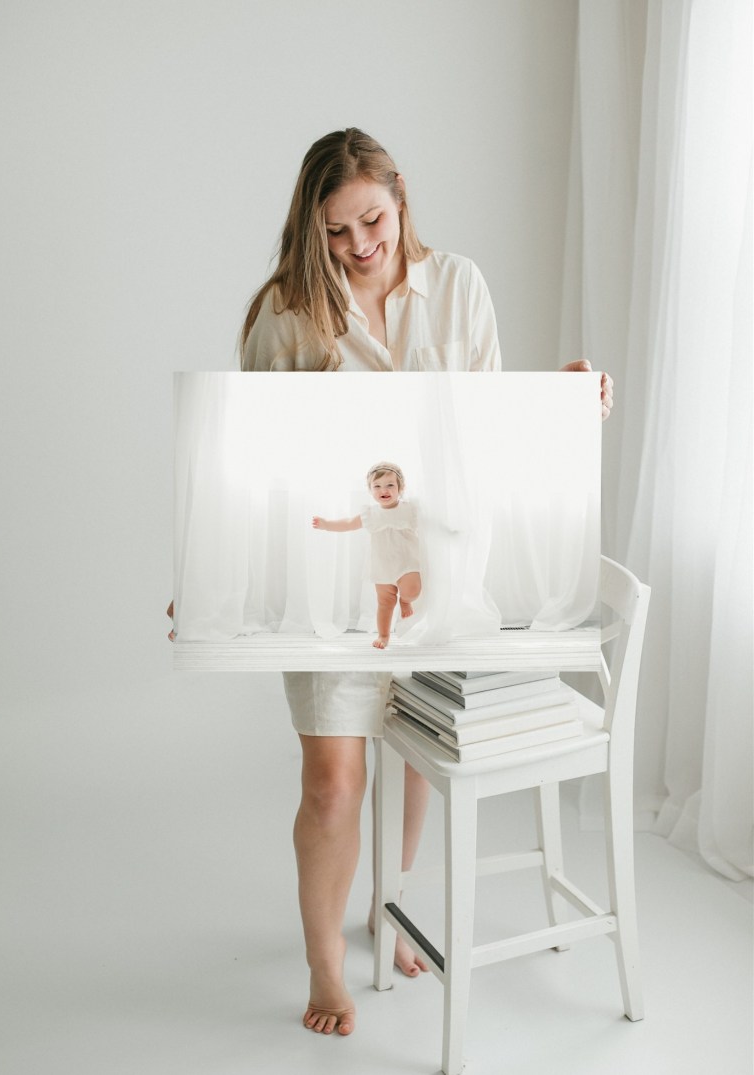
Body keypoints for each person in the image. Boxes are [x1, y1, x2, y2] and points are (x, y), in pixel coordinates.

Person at [239, 128, 613, 1037]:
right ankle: (326, 963)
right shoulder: (285, 313)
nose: (361, 245)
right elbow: (254, 466)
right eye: (336, 231)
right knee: (332, 779)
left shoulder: (459, 286)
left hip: (440, 566)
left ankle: (389, 902)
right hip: (332, 579)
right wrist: (217, 572)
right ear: (309, 229)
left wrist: (561, 403)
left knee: (417, 746)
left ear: (401, 197)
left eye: (372, 219)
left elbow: (482, 431)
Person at [312, 462, 421, 649]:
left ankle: (405, 601)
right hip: (382, 564)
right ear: (370, 490)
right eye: (377, 486)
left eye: (389, 485)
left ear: (400, 488)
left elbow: (431, 522)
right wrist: (327, 524)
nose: (383, 490)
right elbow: (347, 523)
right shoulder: (371, 513)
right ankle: (384, 635)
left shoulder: (409, 509)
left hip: (406, 560)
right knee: (385, 602)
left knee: (412, 590)